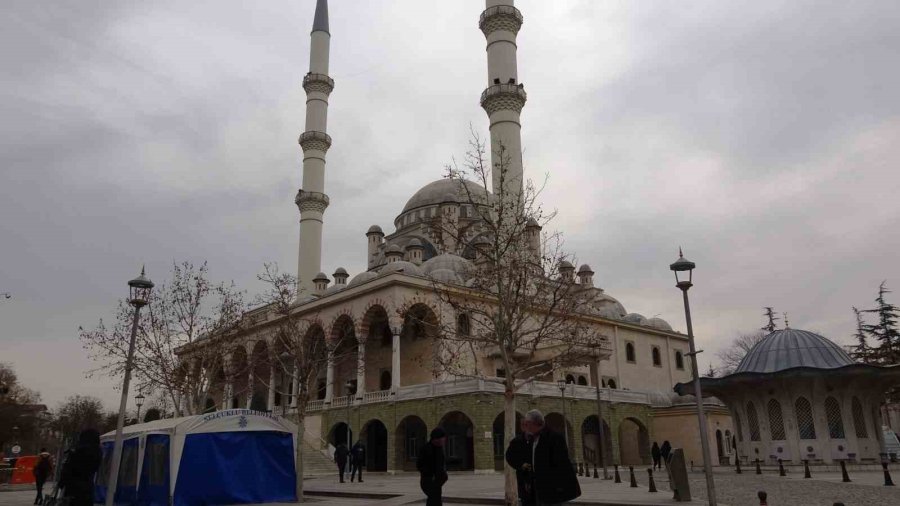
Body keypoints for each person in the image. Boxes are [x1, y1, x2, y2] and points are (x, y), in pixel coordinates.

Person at [521, 410, 580, 506]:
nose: (525, 426)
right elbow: (529, 462)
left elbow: (562, 464)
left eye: (527, 423)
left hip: (552, 488)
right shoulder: (531, 439)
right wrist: (527, 480)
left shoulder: (555, 438)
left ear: (534, 423)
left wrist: (559, 487)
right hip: (537, 487)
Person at [59, 429, 101, 506]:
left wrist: (61, 483)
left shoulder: (77, 452)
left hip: (73, 488)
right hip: (88, 488)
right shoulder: (98, 452)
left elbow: (68, 470)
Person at [505, 423, 536, 506]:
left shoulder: (538, 440)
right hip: (524, 475)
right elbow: (509, 457)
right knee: (526, 499)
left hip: (538, 476)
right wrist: (521, 464)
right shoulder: (517, 441)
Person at [417, 428, 448, 506]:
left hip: (437, 480)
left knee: (435, 499)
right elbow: (419, 465)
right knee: (434, 498)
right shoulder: (426, 449)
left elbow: (440, 465)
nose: (444, 440)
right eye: (442, 438)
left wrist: (443, 475)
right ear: (436, 439)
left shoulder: (440, 449)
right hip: (428, 480)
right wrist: (430, 475)